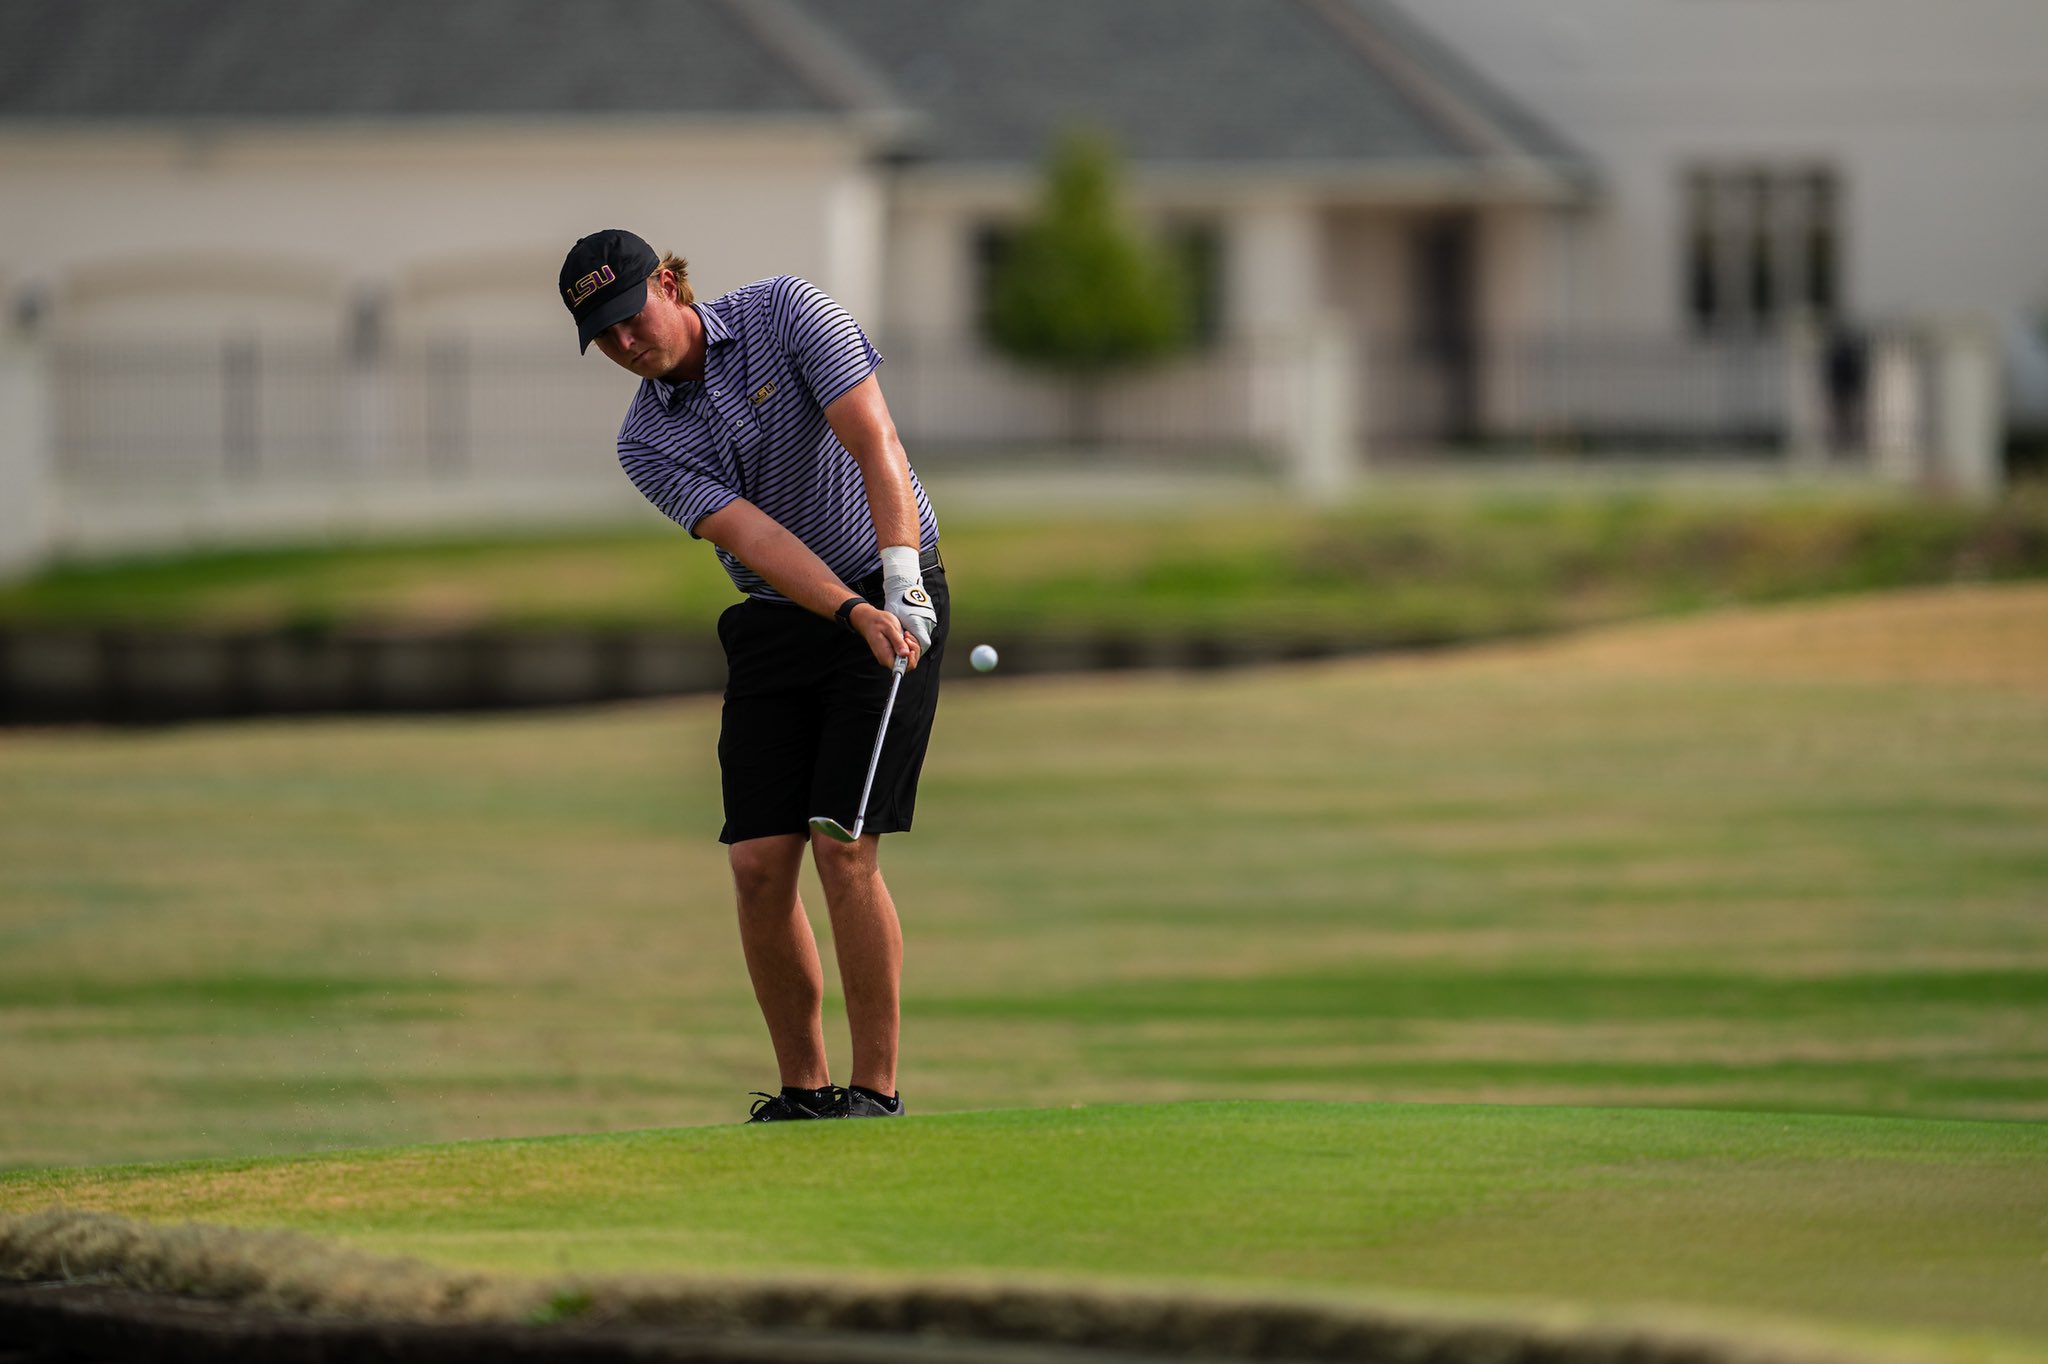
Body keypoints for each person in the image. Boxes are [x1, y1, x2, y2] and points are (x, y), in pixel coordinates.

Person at [558, 229, 945, 1122]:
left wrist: (896, 579)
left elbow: (873, 438)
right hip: (788, 614)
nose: (625, 345)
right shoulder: (645, 442)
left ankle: (875, 1092)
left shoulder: (788, 311)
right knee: (759, 865)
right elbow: (756, 543)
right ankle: (805, 1091)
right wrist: (845, 611)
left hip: (893, 589)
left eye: (628, 318)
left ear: (667, 282)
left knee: (843, 845)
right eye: (602, 337)